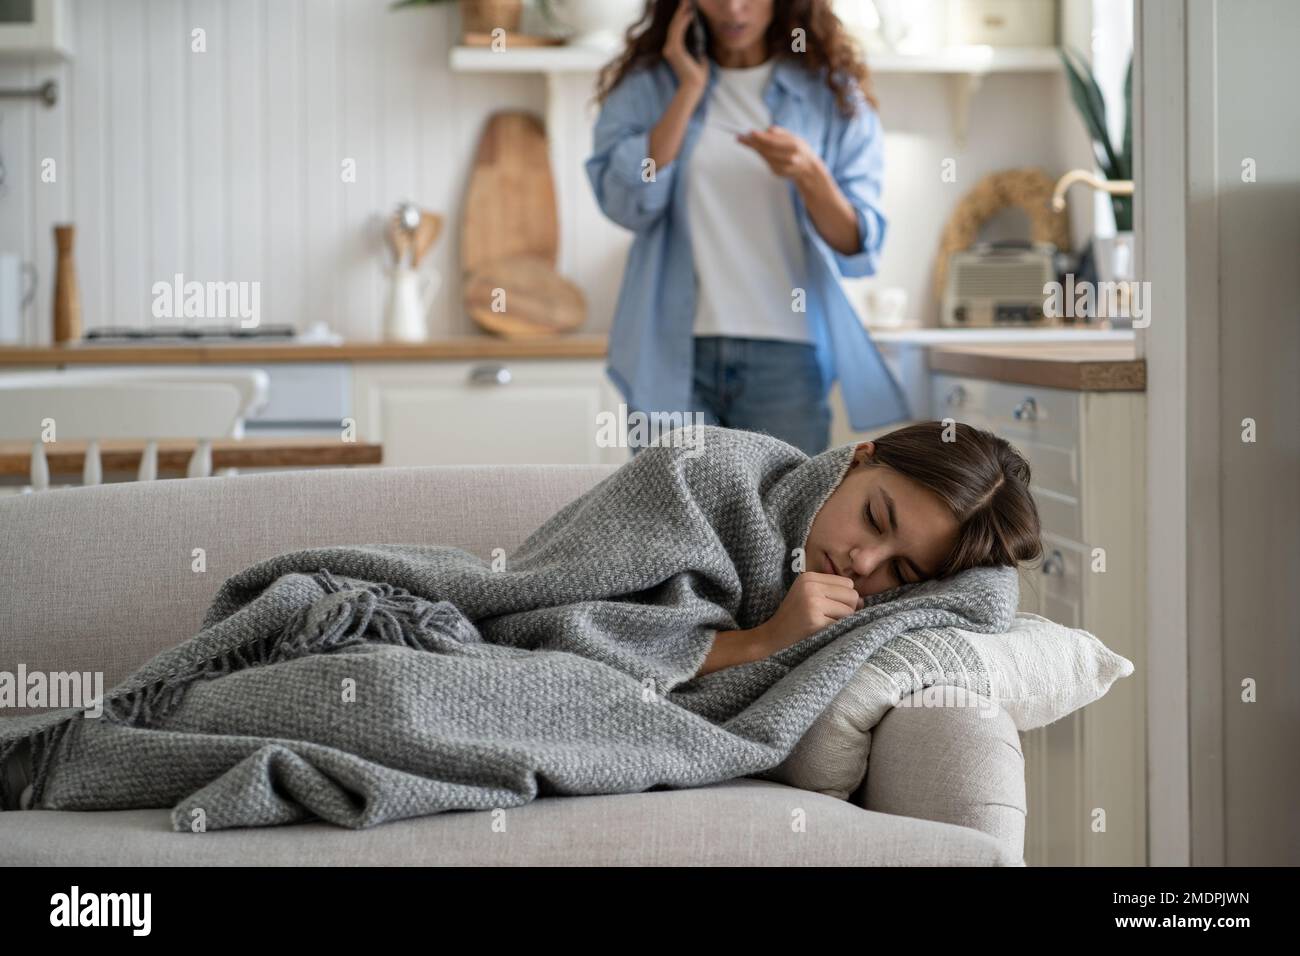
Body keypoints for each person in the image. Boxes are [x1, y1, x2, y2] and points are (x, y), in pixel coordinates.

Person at [587, 0, 910, 458]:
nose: (733, 9)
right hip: (672, 352)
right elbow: (625, 204)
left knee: (783, 523)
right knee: (670, 523)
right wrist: (688, 91)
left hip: (788, 355)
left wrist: (810, 173)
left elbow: (857, 247)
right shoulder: (648, 87)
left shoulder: (831, 93)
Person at [695, 419, 1043, 674]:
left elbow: (988, 596)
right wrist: (767, 639)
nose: (863, 564)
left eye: (900, 570)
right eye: (873, 518)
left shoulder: (867, 611)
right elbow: (639, 654)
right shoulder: (706, 467)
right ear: (858, 460)